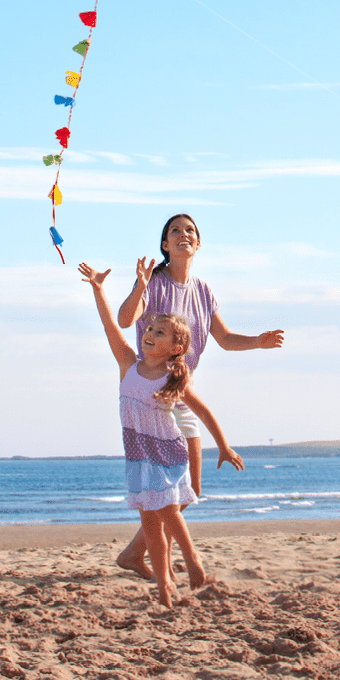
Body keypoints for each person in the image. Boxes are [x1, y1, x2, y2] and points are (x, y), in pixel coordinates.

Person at [111, 212, 284, 580]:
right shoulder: (154, 283)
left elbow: (223, 338)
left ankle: (134, 554)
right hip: (153, 394)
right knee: (170, 490)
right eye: (175, 230)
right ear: (165, 244)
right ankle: (170, 565)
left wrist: (258, 342)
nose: (183, 234)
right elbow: (126, 320)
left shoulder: (203, 291)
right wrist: (139, 286)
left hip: (180, 390)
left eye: (190, 230)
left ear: (198, 243)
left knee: (189, 489)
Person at [78, 261, 244, 608]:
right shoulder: (128, 363)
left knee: (169, 511)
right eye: (150, 328)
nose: (149, 333)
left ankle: (194, 562)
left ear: (176, 348)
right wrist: (98, 289)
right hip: (138, 456)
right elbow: (111, 327)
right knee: (151, 525)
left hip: (168, 453)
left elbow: (203, 412)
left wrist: (224, 447)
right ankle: (164, 585)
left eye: (160, 332)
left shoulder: (172, 378)